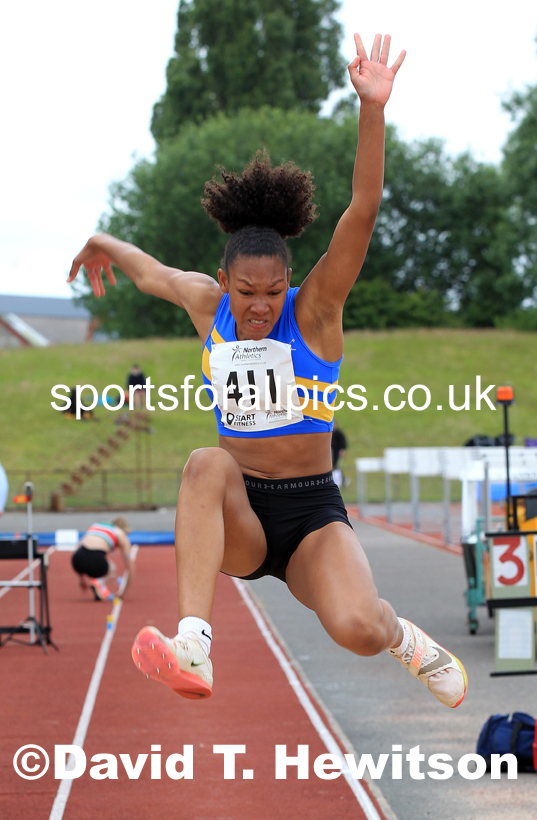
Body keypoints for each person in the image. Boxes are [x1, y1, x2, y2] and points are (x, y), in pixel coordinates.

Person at [68, 34, 467, 708]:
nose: (258, 307)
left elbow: (361, 212)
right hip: (241, 514)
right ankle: (193, 645)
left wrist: (371, 110)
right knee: (203, 462)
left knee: (356, 629)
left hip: (311, 512)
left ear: (288, 281)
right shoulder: (207, 304)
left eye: (271, 291)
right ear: (225, 281)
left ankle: (403, 637)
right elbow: (150, 273)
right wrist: (102, 241)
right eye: (246, 292)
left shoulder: (313, 313)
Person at [71, 516, 134, 600]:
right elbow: (130, 567)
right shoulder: (120, 534)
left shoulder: (96, 525)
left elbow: (78, 548)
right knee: (112, 568)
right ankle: (99, 583)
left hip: (77, 559)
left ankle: (98, 589)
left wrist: (81, 579)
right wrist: (122, 593)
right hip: (96, 561)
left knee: (94, 559)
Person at [331, 421, 347, 488]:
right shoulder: (331, 433)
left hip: (337, 452)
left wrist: (342, 449)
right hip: (332, 451)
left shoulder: (338, 433)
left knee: (336, 465)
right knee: (333, 465)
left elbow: (343, 442)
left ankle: (342, 480)